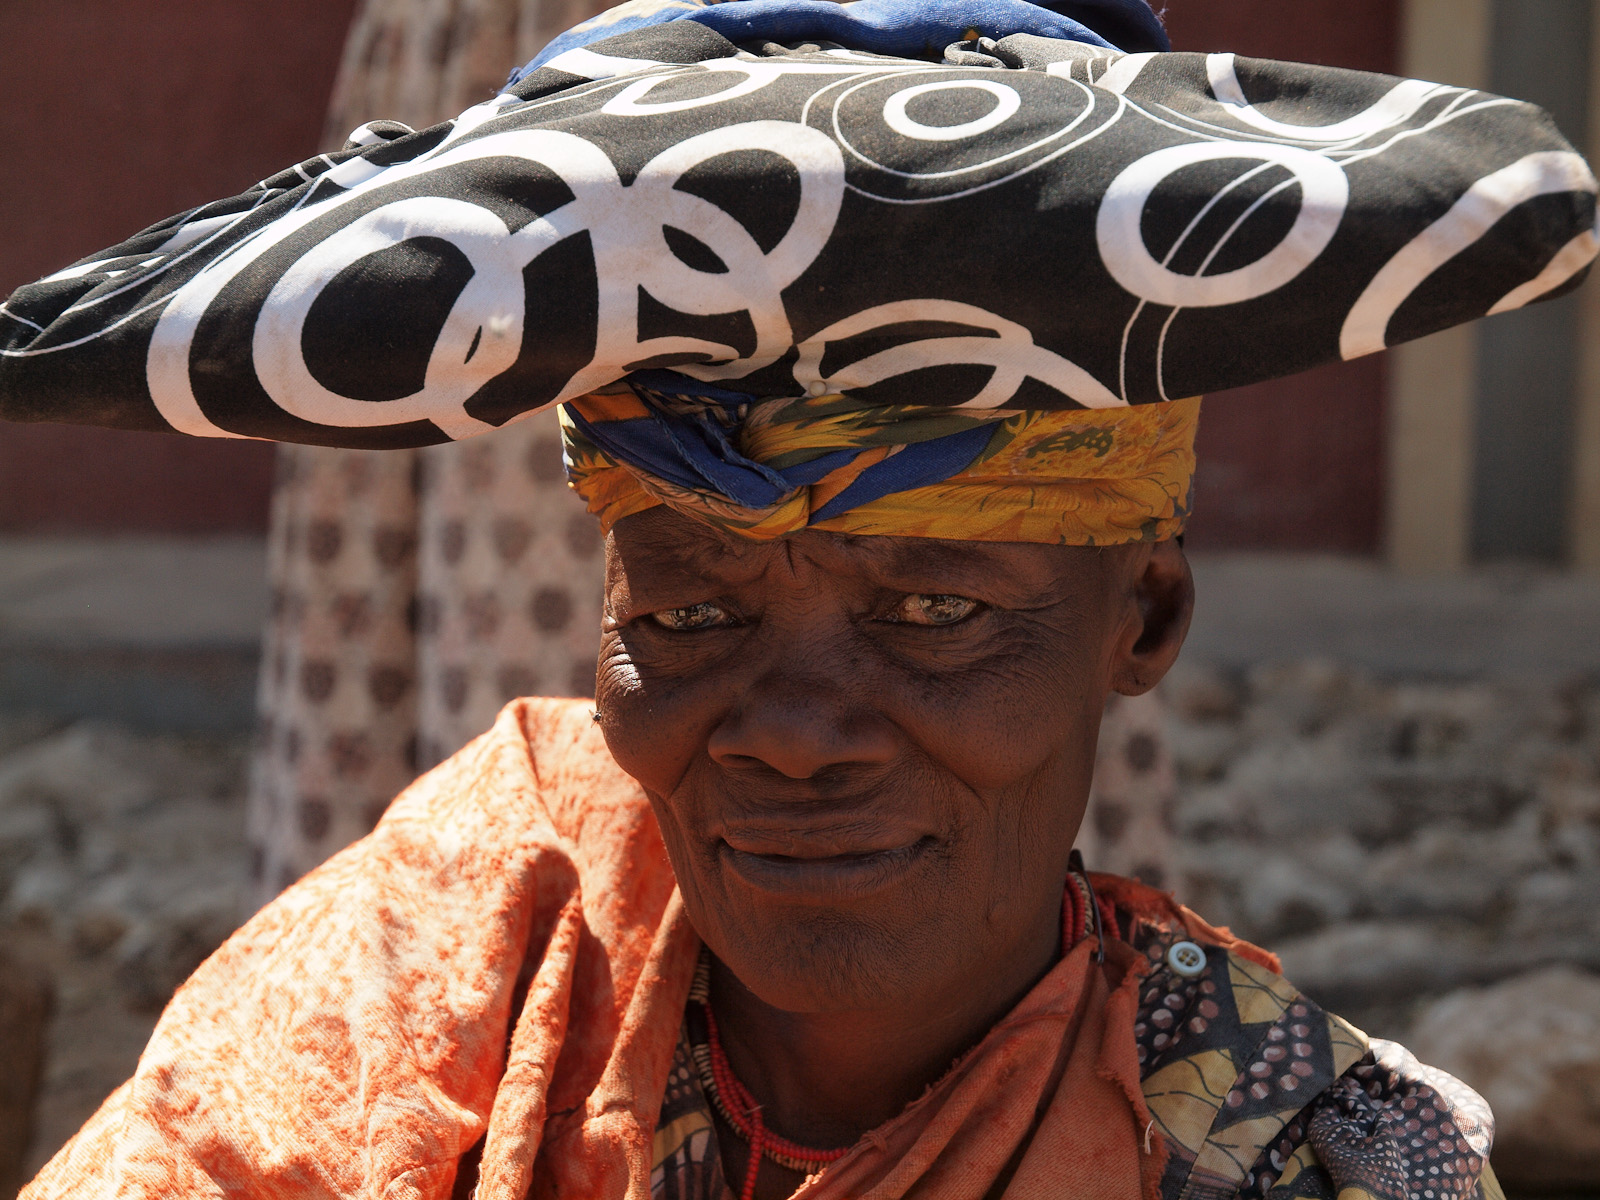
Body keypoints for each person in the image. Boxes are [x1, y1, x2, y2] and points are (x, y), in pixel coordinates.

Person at [3, 0, 1594, 1195]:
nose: (795, 736)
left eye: (935, 614)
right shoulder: (472, 936)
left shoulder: (1307, 1156)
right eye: (690, 618)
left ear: (1146, 623)